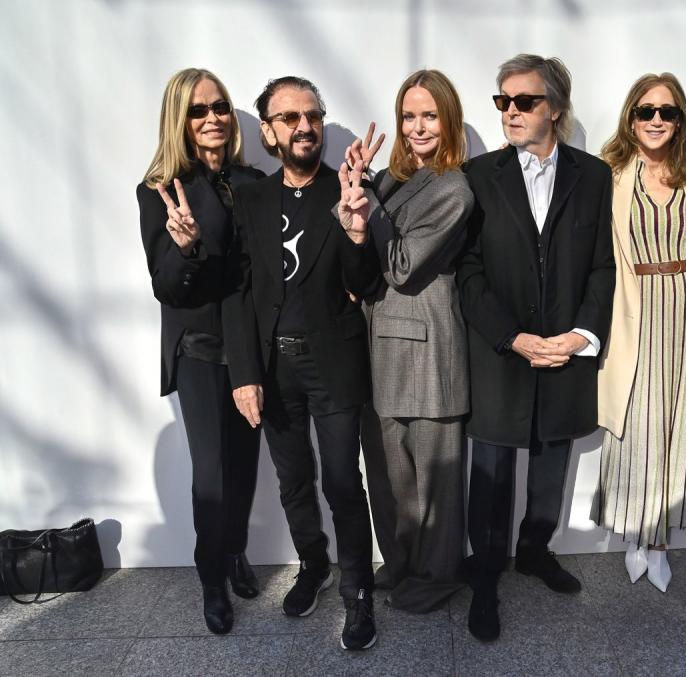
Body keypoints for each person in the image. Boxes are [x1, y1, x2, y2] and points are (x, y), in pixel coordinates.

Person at [457, 54, 614, 642]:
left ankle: (536, 550)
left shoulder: (594, 176)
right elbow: (467, 273)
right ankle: (487, 576)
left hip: (566, 351)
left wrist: (581, 337)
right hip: (502, 353)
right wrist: (512, 337)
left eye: (524, 101)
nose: (511, 112)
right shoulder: (478, 176)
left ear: (556, 109)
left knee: (552, 459)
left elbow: (602, 266)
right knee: (492, 470)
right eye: (503, 101)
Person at [222, 76, 381, 650]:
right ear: (268, 130)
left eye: (312, 115)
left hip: (334, 361)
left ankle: (358, 591)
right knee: (294, 482)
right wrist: (243, 372)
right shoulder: (252, 198)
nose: (304, 126)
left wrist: (358, 231)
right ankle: (313, 565)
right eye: (289, 118)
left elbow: (365, 285)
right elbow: (238, 293)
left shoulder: (346, 190)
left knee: (342, 481)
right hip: (271, 368)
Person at [137, 68, 263, 635]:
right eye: (198, 110)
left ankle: (234, 550)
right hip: (199, 348)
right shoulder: (161, 188)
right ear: (179, 120)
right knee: (211, 473)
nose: (212, 117)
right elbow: (165, 286)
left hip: (251, 347)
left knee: (243, 466)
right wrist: (185, 248)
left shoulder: (250, 180)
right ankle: (211, 576)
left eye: (220, 107)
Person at [595, 73, 686, 592]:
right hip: (636, 310)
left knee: (681, 424)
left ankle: (662, 542)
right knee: (637, 425)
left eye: (667, 112)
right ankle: (635, 533)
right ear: (631, 116)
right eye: (646, 111)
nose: (656, 121)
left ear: (680, 120)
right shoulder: (609, 173)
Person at [355, 70, 474, 613]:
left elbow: (402, 266)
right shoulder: (388, 181)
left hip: (429, 348)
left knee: (437, 478)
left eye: (429, 115)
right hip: (379, 344)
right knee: (390, 471)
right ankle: (401, 563)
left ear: (448, 120)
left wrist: (368, 205)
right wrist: (357, 196)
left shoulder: (453, 188)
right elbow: (360, 252)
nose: (418, 126)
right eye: (409, 116)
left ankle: (435, 575)